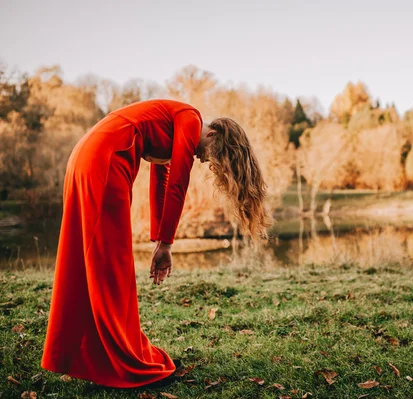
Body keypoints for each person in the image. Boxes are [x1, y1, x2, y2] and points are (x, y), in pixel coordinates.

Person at [40, 99, 272, 388]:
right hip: (105, 159)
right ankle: (122, 359)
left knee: (88, 259)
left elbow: (161, 179)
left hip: (88, 155)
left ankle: (78, 353)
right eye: (214, 156)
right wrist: (166, 244)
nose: (205, 161)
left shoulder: (174, 127)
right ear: (212, 135)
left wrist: (158, 239)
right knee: (111, 265)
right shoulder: (190, 119)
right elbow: (177, 182)